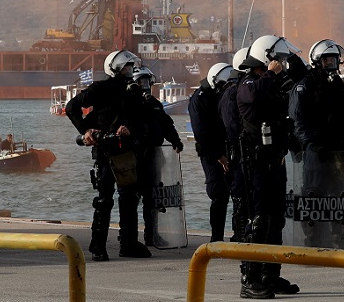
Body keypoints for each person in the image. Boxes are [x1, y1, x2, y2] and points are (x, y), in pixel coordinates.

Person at [236, 35, 306, 299]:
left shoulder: (274, 84)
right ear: (267, 59)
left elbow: (298, 85)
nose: (282, 64)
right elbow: (253, 96)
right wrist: (271, 73)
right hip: (255, 164)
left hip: (275, 162)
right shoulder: (249, 82)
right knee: (258, 221)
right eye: (279, 59)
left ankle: (270, 275)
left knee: (276, 220)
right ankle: (250, 280)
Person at [65, 50, 152, 262]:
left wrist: (129, 129)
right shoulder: (99, 89)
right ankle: (98, 247)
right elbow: (71, 107)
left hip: (126, 152)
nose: (130, 72)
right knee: (104, 201)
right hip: (105, 152)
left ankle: (129, 244)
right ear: (115, 69)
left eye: (131, 68)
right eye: (127, 68)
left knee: (130, 198)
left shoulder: (133, 93)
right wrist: (86, 130)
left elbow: (142, 122)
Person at [288, 39, 344, 249]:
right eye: (327, 60)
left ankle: (341, 244)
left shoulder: (338, 85)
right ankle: (313, 244)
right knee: (314, 199)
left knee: (341, 197)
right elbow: (299, 120)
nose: (331, 64)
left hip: (340, 152)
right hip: (316, 154)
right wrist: (311, 144)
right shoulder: (305, 85)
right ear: (317, 61)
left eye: (333, 60)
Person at [132, 66, 184, 247]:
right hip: (135, 157)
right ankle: (129, 238)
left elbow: (166, 124)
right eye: (140, 82)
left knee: (152, 198)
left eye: (147, 82)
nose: (144, 86)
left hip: (154, 156)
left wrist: (176, 141)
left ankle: (151, 235)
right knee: (131, 198)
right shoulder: (128, 104)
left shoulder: (154, 104)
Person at [188, 62, 235, 242]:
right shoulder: (200, 98)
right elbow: (201, 133)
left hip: (227, 148)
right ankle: (216, 238)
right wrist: (218, 156)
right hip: (212, 153)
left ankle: (238, 234)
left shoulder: (220, 93)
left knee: (237, 192)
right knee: (218, 193)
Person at [222, 49, 249, 245]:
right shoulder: (233, 94)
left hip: (241, 153)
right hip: (239, 154)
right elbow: (233, 126)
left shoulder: (234, 91)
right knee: (240, 196)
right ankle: (240, 235)